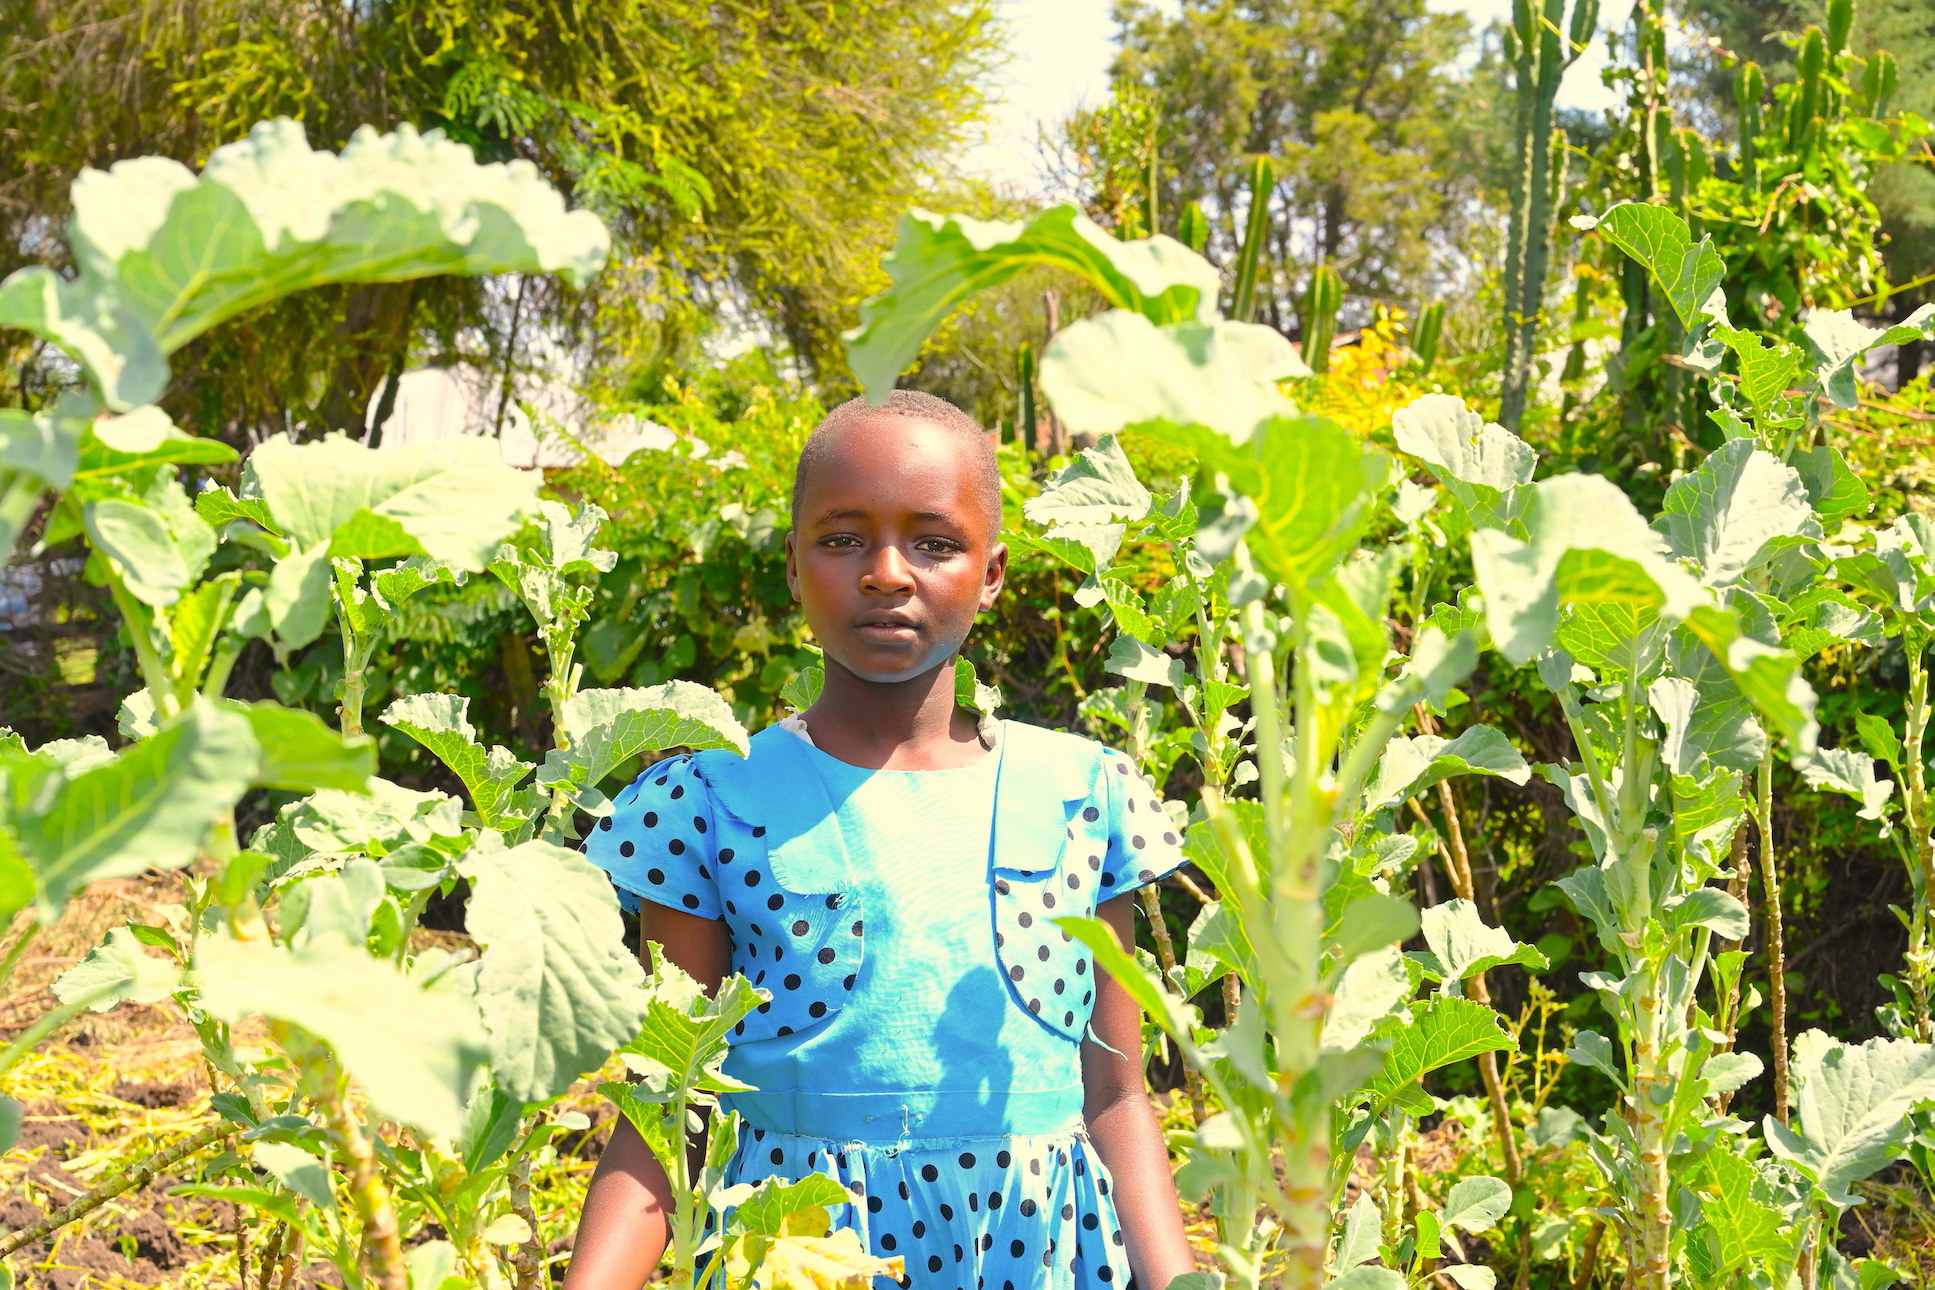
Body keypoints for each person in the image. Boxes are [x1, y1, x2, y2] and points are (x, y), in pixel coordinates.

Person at [565, 390, 1198, 1290]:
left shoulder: (1080, 796)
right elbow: (672, 1103)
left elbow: (1118, 1096)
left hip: (1042, 1255)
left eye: (935, 543)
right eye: (842, 538)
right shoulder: (708, 798)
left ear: (992, 573)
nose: (887, 573)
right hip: (794, 1257)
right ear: (792, 565)